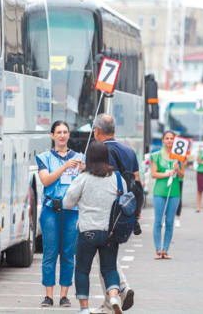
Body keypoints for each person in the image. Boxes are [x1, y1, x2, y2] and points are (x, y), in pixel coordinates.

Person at [63, 141, 126, 314]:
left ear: (89, 158)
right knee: (109, 268)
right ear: (106, 157)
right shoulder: (117, 178)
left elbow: (67, 203)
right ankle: (114, 295)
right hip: (110, 231)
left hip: (87, 231)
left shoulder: (83, 178)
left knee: (82, 270)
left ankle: (84, 308)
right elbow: (124, 200)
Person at [91, 114, 137, 314]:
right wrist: (135, 212)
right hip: (126, 208)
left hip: (105, 210)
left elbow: (97, 181)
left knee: (105, 255)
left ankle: (119, 292)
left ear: (97, 131)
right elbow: (137, 182)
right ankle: (114, 296)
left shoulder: (100, 151)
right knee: (110, 252)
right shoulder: (129, 150)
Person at [36, 120, 84, 307]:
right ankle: (48, 295)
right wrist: (65, 167)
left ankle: (64, 294)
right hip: (51, 211)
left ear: (69, 135)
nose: (62, 135)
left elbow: (84, 183)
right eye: (58, 132)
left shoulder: (80, 157)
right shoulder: (44, 157)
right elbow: (46, 180)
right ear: (52, 135)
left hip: (72, 211)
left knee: (68, 254)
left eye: (65, 132)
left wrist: (82, 170)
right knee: (50, 253)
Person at [151, 131, 185, 260]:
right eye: (167, 138)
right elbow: (154, 174)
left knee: (170, 221)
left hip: (174, 192)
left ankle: (165, 250)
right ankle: (158, 249)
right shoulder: (156, 155)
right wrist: (167, 174)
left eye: (172, 138)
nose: (169, 141)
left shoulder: (179, 156)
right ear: (163, 140)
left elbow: (182, 176)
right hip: (160, 191)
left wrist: (178, 169)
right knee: (158, 221)